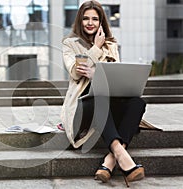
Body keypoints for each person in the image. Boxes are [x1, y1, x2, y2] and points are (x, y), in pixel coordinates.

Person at [60, 0, 146, 187]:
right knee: (99, 99)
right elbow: (75, 72)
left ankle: (110, 160)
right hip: (84, 108)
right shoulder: (69, 44)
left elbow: (115, 76)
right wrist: (96, 48)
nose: (90, 23)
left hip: (108, 103)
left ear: (101, 22)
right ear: (79, 21)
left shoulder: (111, 45)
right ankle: (121, 157)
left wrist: (99, 73)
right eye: (86, 19)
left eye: (95, 19)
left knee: (138, 103)